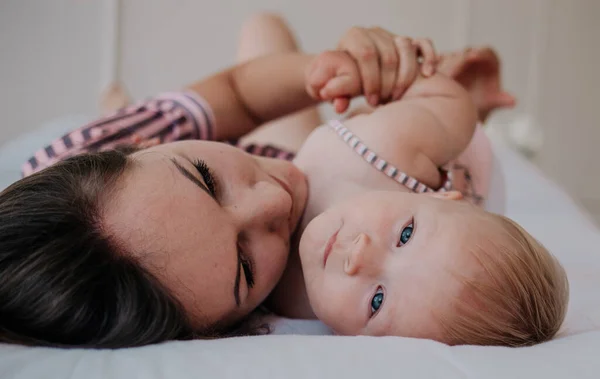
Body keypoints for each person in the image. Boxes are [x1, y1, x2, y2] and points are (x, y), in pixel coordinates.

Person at [0, 13, 528, 348]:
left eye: (206, 180)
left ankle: (124, 107)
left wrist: (346, 70)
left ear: (141, 147)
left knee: (264, 31)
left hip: (251, 145)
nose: (276, 200)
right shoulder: (175, 303)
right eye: (246, 267)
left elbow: (242, 93)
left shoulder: (96, 157)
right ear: (216, 325)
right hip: (287, 150)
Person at [263, 44, 568, 347]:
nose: (359, 255)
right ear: (442, 197)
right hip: (460, 163)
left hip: (292, 164)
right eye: (405, 234)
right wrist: (396, 77)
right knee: (264, 38)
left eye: (377, 301)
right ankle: (475, 120)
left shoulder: (281, 295)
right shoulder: (391, 147)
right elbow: (446, 99)